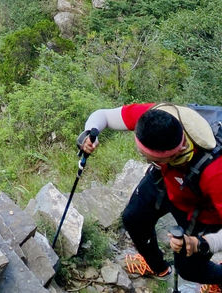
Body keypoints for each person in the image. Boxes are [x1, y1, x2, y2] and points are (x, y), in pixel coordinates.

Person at [78, 103, 222, 293]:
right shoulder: (158, 117)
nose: (144, 160)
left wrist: (202, 244)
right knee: (133, 219)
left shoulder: (216, 173)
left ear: (175, 153)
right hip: (164, 180)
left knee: (189, 271)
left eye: (151, 159)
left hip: (202, 212)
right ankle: (158, 268)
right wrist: (89, 132)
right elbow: (103, 115)